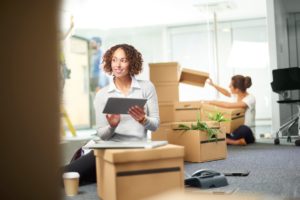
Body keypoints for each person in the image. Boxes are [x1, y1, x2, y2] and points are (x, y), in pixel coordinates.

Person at [63, 44, 160, 185]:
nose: (118, 65)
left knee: (92, 178)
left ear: (132, 62)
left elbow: (155, 125)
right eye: (114, 60)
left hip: (136, 149)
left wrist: (144, 119)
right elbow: (102, 135)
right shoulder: (102, 94)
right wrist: (112, 126)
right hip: (107, 149)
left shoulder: (146, 87)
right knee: (68, 175)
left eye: (123, 60)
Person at [205, 75, 256, 145]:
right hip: (234, 130)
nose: (229, 86)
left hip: (247, 131)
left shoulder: (250, 99)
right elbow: (226, 93)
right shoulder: (236, 95)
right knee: (214, 133)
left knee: (243, 129)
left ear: (237, 89)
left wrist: (211, 102)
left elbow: (228, 105)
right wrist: (213, 84)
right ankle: (234, 141)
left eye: (231, 85)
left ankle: (229, 141)